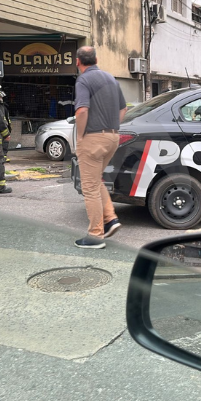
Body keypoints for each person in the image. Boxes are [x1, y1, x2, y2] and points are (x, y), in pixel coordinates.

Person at [73, 46, 126, 249]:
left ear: (78, 62)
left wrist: (80, 136)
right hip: (112, 137)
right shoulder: (111, 78)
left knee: (89, 187)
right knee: (96, 181)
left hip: (93, 138)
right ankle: (111, 219)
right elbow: (123, 109)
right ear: (96, 59)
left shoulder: (84, 80)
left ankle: (96, 235)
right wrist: (113, 128)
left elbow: (82, 110)